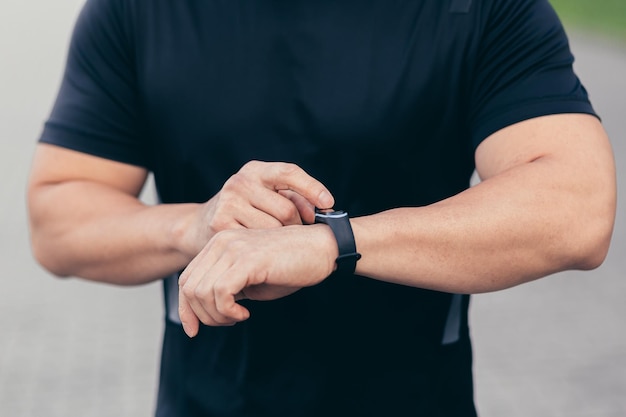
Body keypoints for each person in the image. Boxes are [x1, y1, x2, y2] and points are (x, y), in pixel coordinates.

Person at [27, 0, 616, 415]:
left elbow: (577, 208)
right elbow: (57, 218)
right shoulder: (139, 9)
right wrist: (195, 225)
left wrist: (330, 243)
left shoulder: (481, 7)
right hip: (204, 405)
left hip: (415, 402)